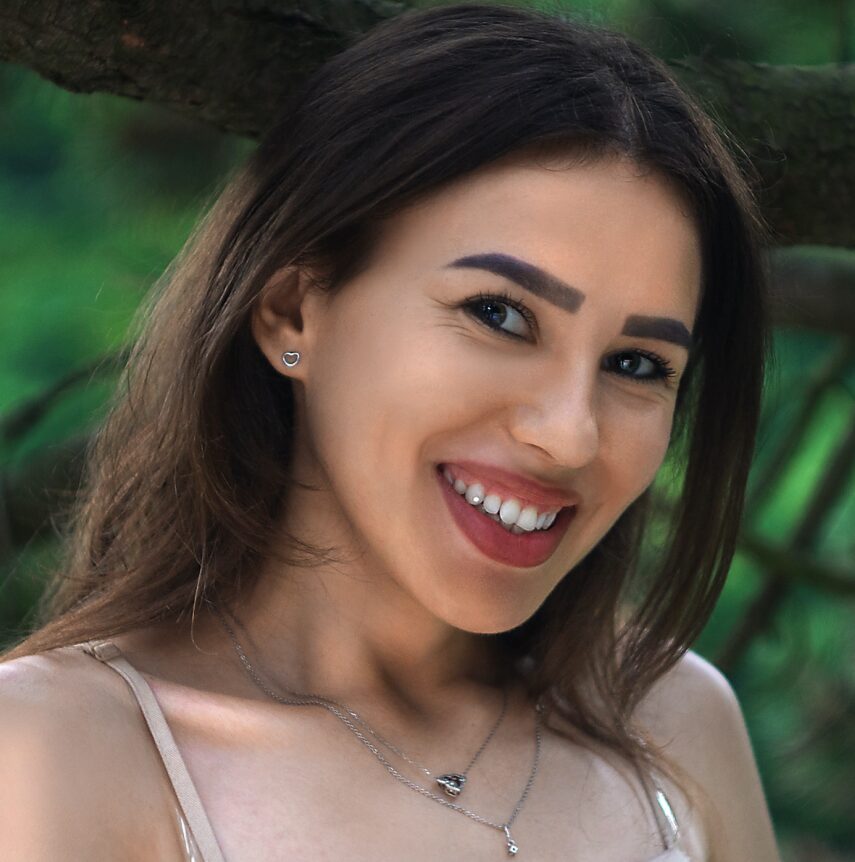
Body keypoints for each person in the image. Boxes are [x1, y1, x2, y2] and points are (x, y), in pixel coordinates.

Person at [0, 3, 782, 860]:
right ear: (293, 310)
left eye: (635, 364)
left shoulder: (672, 724)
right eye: (498, 314)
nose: (569, 436)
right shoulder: (56, 750)